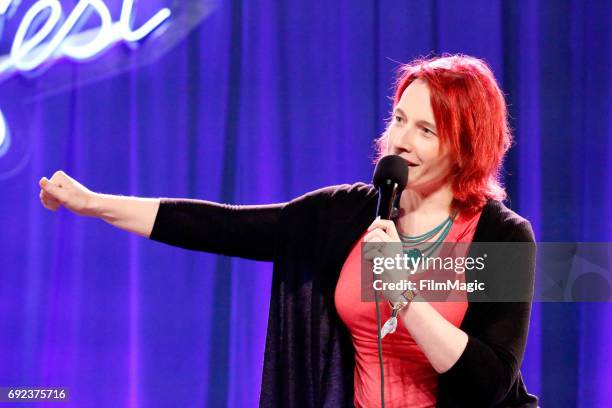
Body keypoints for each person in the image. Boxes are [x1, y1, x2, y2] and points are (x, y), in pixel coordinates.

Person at [38, 54, 538, 407]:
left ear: (467, 144)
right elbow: (222, 227)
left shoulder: (499, 236)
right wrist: (94, 204)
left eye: (426, 130)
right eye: (399, 119)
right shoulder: (344, 216)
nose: (401, 141)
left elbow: (488, 385)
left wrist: (404, 293)